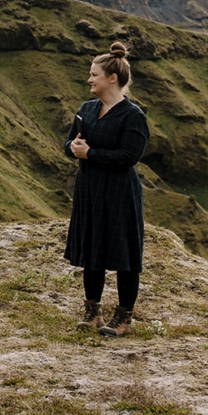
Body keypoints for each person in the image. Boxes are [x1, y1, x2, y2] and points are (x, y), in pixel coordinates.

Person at [65, 41, 150, 337]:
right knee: (92, 249)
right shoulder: (86, 109)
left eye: (94, 74)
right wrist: (74, 147)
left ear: (112, 79)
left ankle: (124, 318)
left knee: (124, 252)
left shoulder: (133, 116)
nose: (89, 79)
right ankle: (93, 314)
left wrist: (91, 154)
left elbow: (130, 156)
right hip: (89, 188)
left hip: (119, 192)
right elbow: (69, 144)